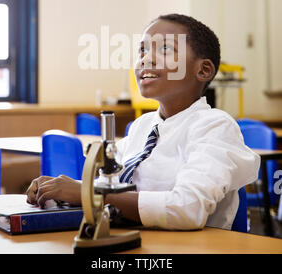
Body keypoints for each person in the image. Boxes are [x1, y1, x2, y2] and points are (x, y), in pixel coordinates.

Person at [26, 14, 260, 230]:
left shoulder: (215, 127)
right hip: (137, 241)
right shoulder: (143, 126)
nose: (146, 59)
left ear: (203, 70)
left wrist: (88, 192)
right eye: (142, 51)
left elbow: (188, 209)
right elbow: (110, 188)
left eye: (166, 49)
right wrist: (58, 191)